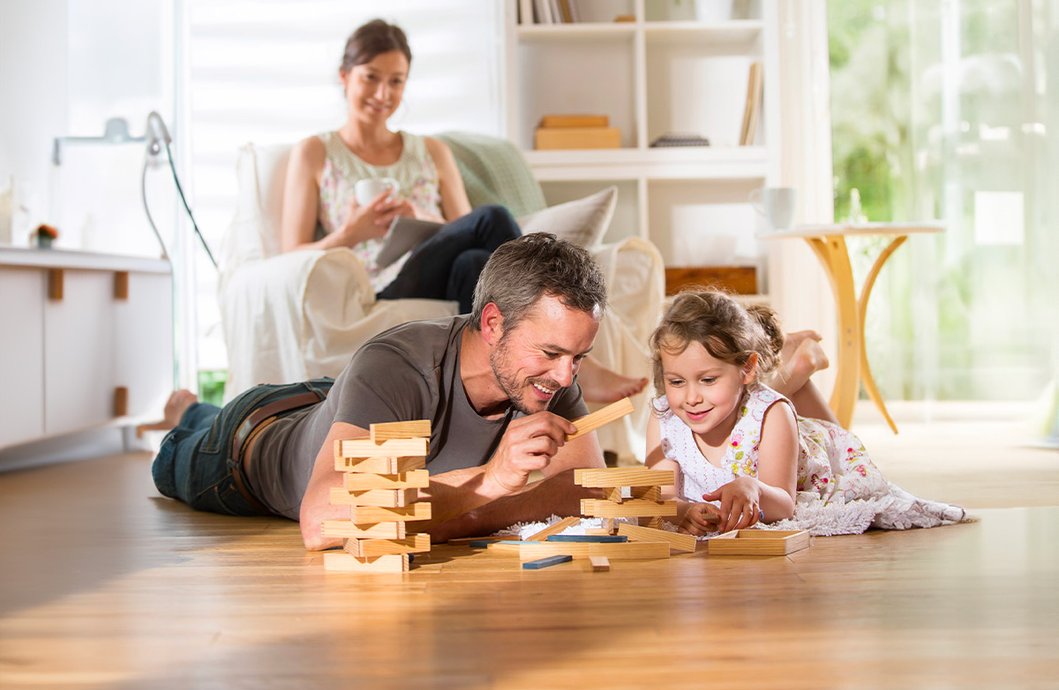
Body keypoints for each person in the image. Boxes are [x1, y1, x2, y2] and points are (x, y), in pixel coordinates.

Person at [151, 234, 610, 549]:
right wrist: (488, 483)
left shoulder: (546, 376)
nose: (567, 378)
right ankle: (189, 412)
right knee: (180, 447)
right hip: (245, 444)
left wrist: (463, 514)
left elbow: (585, 490)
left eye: (579, 357)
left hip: (335, 403)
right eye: (551, 353)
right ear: (493, 323)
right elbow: (321, 519)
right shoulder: (400, 364)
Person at [280, 18, 645, 403]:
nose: (383, 93)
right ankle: (567, 354)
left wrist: (425, 222)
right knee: (494, 218)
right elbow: (290, 253)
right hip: (380, 282)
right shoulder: (315, 152)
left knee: (474, 261)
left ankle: (492, 389)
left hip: (436, 265)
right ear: (345, 76)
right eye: (371, 77)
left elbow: (463, 227)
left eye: (396, 81)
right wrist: (351, 233)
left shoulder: (432, 152)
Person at [645, 289, 965, 536]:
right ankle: (794, 367)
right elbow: (663, 496)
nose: (691, 398)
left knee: (837, 451)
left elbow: (784, 503)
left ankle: (799, 369)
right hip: (761, 412)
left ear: (746, 368)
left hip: (815, 453)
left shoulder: (771, 414)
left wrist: (753, 487)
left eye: (708, 380)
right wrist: (683, 511)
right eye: (676, 381)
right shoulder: (664, 419)